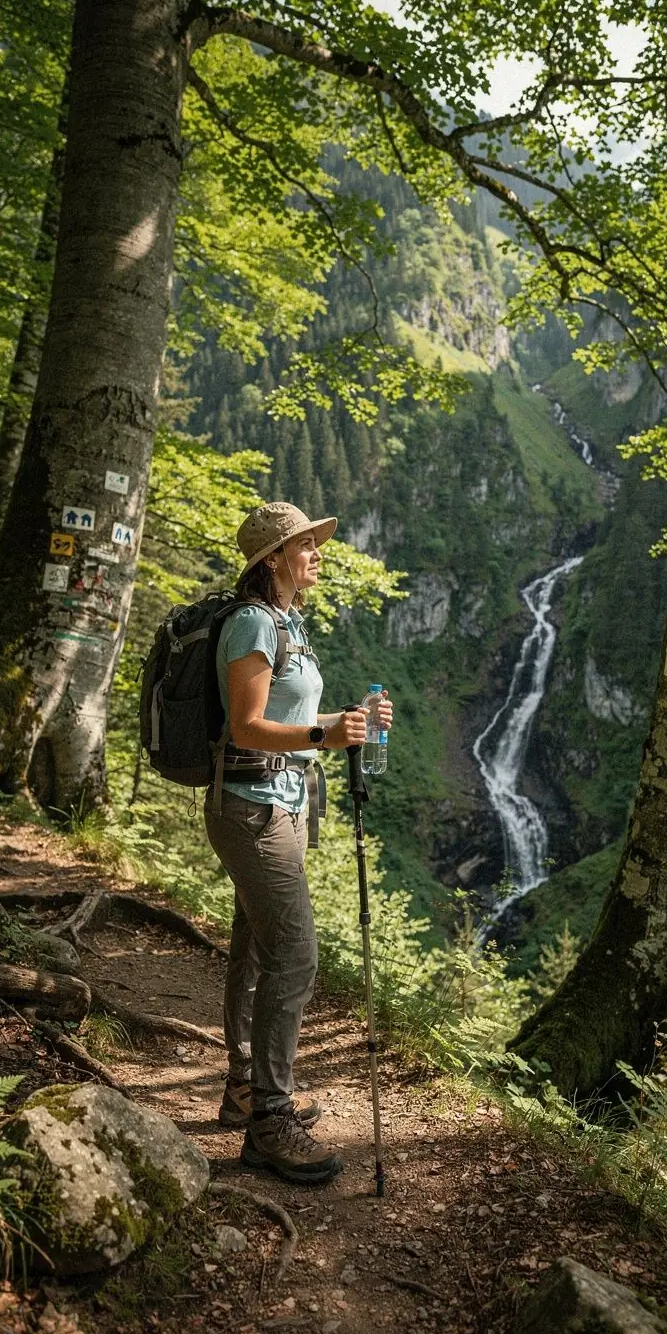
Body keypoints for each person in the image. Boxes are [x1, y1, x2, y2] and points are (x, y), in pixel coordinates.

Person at [204, 501, 394, 1186]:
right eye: (305, 544)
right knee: (295, 954)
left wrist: (349, 721)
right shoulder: (254, 622)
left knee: (257, 945)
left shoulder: (288, 623)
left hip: (281, 803)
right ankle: (271, 1121)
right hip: (252, 809)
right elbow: (247, 725)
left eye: (314, 542)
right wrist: (324, 735)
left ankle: (245, 1088)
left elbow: (294, 715)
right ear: (274, 559)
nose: (317, 552)